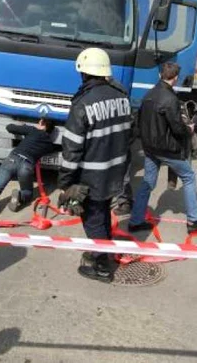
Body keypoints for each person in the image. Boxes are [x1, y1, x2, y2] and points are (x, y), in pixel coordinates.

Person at [58, 48, 132, 283]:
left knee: (92, 219)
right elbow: (129, 136)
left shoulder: (83, 104)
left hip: (91, 177)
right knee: (101, 215)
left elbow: (72, 149)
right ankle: (105, 251)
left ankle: (101, 266)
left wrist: (65, 182)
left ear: (85, 74)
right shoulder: (121, 97)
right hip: (115, 172)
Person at [129, 62, 197, 234]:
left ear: (160, 75)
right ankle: (194, 220)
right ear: (175, 78)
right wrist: (188, 130)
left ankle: (135, 221)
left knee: (147, 182)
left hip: (150, 148)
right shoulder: (171, 99)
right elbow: (177, 127)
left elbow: (139, 122)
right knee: (189, 177)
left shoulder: (148, 95)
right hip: (166, 149)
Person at [0, 119, 56, 221]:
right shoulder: (49, 144)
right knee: (27, 192)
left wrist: (22, 126)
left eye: (39, 122)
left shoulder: (32, 130)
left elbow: (9, 127)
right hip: (27, 165)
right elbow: (50, 149)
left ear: (41, 124)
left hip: (12, 159)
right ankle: (20, 196)